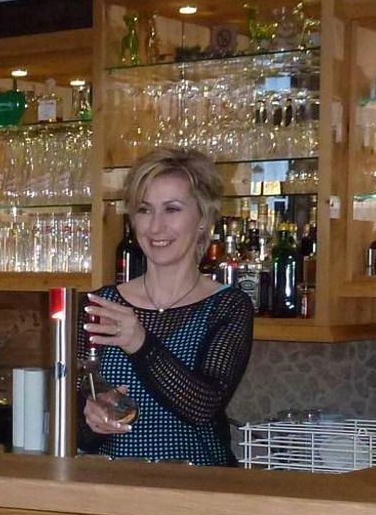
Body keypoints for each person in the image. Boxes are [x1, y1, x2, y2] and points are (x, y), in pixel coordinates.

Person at [80, 147, 255, 466]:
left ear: (203, 218)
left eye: (172, 209)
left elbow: (202, 407)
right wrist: (90, 417)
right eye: (144, 210)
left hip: (196, 486)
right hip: (111, 485)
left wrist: (140, 342)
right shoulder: (101, 305)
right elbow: (71, 419)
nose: (155, 226)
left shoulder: (227, 306)